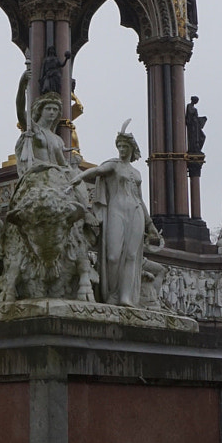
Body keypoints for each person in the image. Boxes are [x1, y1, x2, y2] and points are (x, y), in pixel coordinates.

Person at [79, 123, 161, 306]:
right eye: (120, 146)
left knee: (132, 256)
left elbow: (140, 200)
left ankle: (125, 296)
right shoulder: (113, 165)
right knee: (113, 256)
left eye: (125, 147)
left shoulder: (136, 173)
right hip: (116, 210)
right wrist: (77, 177)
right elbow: (96, 171)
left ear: (132, 149)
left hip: (136, 212)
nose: (122, 150)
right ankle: (112, 293)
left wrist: (150, 225)